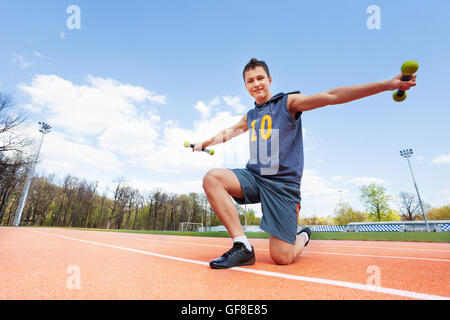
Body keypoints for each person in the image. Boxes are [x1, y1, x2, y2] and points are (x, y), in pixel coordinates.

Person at [193, 58, 416, 269]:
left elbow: (332, 95)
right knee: (213, 178)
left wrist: (388, 84)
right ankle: (242, 246)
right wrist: (205, 142)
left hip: (282, 186)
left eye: (260, 78)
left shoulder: (289, 103)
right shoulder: (250, 116)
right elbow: (228, 132)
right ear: (245, 86)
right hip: (255, 177)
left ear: (269, 80)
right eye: (250, 81)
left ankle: (303, 235)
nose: (256, 84)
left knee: (282, 257)